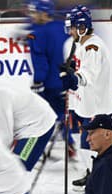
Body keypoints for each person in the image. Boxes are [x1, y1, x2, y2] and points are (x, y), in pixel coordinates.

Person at [60, 5, 112, 189]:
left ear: (82, 27)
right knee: (82, 141)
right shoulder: (80, 44)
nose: (70, 31)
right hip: (84, 102)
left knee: (94, 144)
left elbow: (88, 75)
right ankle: (90, 173)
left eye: (72, 27)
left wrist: (74, 80)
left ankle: (99, 180)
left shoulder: (93, 47)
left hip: (97, 106)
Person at [26, 0, 75, 156]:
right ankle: (70, 142)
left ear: (44, 13)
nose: (32, 16)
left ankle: (36, 149)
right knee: (61, 113)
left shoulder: (36, 33)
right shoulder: (63, 28)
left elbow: (40, 61)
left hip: (49, 83)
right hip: (65, 80)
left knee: (42, 116)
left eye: (35, 12)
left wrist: (38, 81)